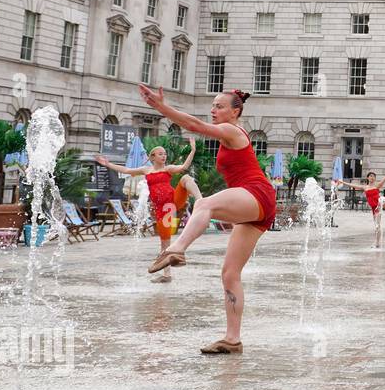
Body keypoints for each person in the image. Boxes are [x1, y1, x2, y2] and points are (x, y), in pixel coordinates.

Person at [137, 86, 277, 355]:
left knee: (204, 203)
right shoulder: (230, 132)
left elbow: (193, 124)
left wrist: (161, 108)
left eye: (220, 106)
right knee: (229, 273)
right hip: (253, 203)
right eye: (212, 105)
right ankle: (232, 339)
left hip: (255, 193)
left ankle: (177, 249)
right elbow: (197, 123)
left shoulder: (232, 131)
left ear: (235, 111)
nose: (214, 110)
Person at [95, 137, 203, 284]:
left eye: (164, 154)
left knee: (185, 177)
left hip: (173, 200)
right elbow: (127, 170)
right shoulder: (146, 170)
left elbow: (184, 166)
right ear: (152, 157)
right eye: (160, 154)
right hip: (163, 209)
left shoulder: (168, 169)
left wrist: (193, 150)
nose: (164, 156)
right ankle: (166, 274)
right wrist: (108, 164)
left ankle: (201, 201)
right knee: (165, 243)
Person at [335, 165, 385, 249]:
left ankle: (377, 243)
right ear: (368, 178)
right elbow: (353, 185)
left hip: (379, 206)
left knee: (377, 225)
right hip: (373, 209)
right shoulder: (365, 187)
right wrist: (343, 182)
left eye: (374, 177)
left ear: (375, 179)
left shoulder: (377, 186)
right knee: (377, 225)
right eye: (371, 176)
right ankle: (377, 243)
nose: (372, 178)